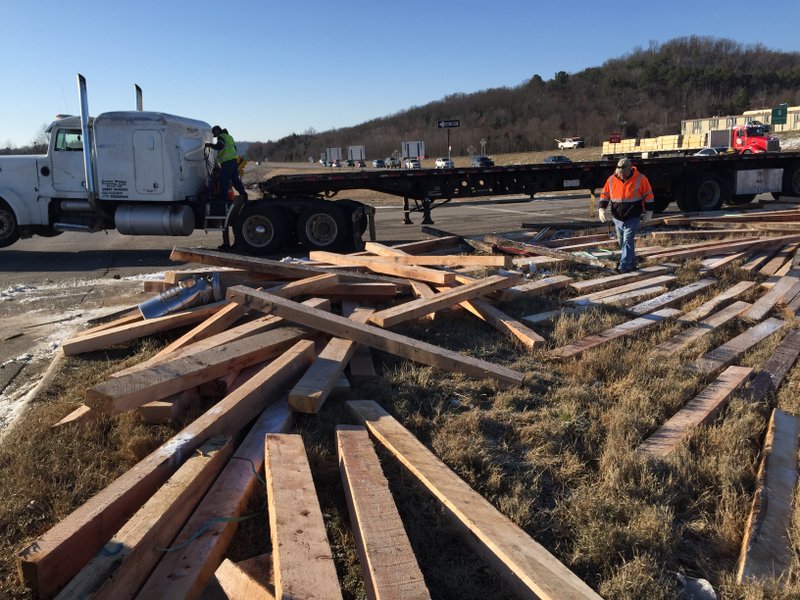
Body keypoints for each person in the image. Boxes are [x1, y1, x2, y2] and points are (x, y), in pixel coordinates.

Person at [598, 158, 654, 273]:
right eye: (620, 173)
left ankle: (624, 267)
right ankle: (632, 263)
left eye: (624, 173)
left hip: (633, 216)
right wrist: (601, 208)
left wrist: (649, 212)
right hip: (617, 217)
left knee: (627, 240)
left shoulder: (640, 179)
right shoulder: (612, 179)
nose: (622, 175)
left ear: (630, 169)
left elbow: (648, 195)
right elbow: (605, 194)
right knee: (621, 241)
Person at [205, 125, 247, 249]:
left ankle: (222, 197)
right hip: (233, 161)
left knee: (224, 180)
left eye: (214, 133)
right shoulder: (229, 136)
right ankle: (243, 193)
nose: (214, 135)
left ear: (217, 131)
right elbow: (233, 148)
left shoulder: (222, 137)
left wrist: (210, 146)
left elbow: (220, 146)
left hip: (227, 162)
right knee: (235, 180)